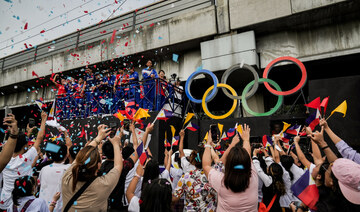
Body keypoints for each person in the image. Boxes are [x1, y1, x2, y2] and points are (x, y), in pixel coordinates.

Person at [61, 124, 123, 211]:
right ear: (98, 165)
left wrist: (98, 138)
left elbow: (82, 156)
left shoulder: (67, 178)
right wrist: (116, 144)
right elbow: (118, 166)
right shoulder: (103, 184)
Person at [203, 124, 259, 211]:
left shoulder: (221, 181)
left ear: (228, 164)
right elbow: (247, 155)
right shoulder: (254, 177)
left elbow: (206, 165)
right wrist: (246, 140)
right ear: (247, 163)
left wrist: (208, 144)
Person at [0, 112, 47, 210]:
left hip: (4, 202)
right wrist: (43, 120)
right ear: (25, 145)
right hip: (22, 203)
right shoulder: (27, 158)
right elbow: (39, 137)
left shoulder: (3, 160)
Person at [98, 124, 139, 211]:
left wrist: (99, 137)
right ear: (118, 150)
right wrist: (136, 131)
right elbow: (137, 150)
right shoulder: (123, 167)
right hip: (118, 207)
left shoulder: (99, 167)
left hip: (102, 207)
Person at [39, 143, 70, 212]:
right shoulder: (70, 169)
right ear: (66, 155)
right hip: (61, 208)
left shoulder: (44, 169)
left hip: (44, 207)